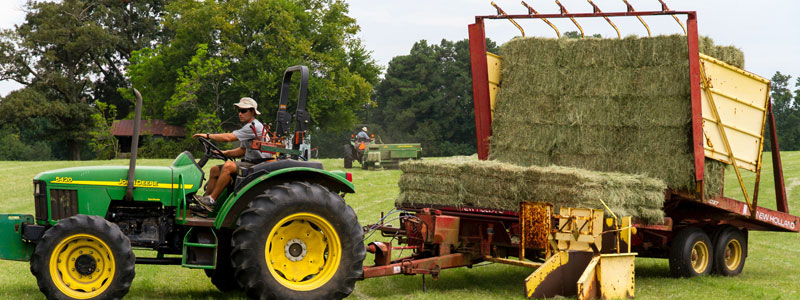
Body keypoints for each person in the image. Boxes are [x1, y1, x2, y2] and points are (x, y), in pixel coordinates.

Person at [191, 97, 270, 212]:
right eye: (239, 111)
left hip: (258, 164)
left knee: (228, 166)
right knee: (214, 170)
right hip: (249, 162)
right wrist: (223, 153)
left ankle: (212, 200)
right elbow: (242, 151)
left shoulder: (254, 126)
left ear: (252, 112)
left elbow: (229, 138)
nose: (240, 114)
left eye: (243, 111)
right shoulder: (248, 128)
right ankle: (204, 203)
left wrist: (207, 135)